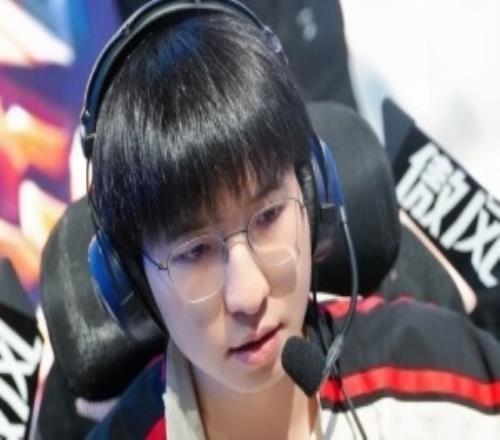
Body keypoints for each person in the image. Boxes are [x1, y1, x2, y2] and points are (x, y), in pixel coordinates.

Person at [82, 1, 500, 438]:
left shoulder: (442, 378)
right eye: (195, 251)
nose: (249, 295)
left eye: (268, 217)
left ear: (315, 195)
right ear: (131, 282)